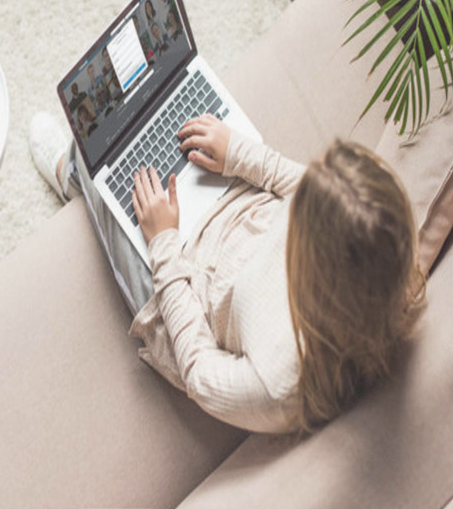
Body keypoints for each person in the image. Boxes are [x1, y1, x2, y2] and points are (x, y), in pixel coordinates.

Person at [28, 111, 424, 435]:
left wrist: (163, 240)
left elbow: (199, 371)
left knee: (96, 146)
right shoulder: (379, 247)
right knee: (170, 114)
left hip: (182, 292)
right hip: (238, 206)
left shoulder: (277, 384)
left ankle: (73, 176)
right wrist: (238, 151)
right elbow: (311, 185)